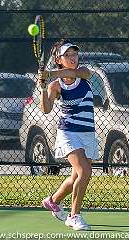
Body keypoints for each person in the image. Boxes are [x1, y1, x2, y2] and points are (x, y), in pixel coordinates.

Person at [38, 39, 98, 231]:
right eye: (68, 55)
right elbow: (46, 109)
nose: (73, 58)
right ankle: (74, 216)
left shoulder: (84, 73)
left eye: (75, 54)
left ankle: (52, 201)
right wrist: (43, 87)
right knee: (84, 172)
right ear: (59, 59)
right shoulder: (55, 86)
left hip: (87, 133)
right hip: (68, 133)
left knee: (75, 177)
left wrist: (49, 73)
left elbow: (71, 73)